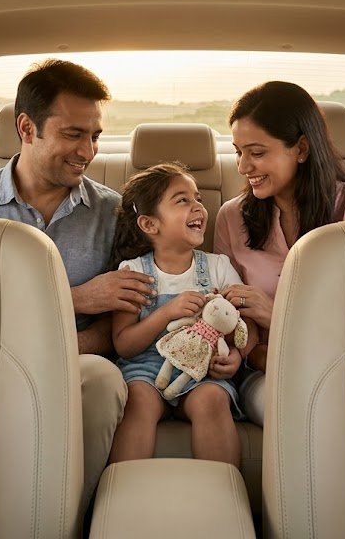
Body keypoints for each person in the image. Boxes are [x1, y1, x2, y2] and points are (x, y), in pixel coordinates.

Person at [0, 59, 155, 510]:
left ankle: (68, 516)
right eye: (73, 134)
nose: (88, 151)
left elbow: (118, 323)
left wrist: (58, 352)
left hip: (78, 362)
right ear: (26, 128)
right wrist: (75, 298)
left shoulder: (113, 213)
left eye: (95, 136)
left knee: (105, 380)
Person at [213, 81, 345, 426]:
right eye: (238, 152)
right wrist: (259, 352)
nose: (243, 167)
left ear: (301, 149)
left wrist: (277, 316)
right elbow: (229, 320)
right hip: (264, 371)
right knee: (295, 408)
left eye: (257, 153)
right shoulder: (231, 217)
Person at [107, 162, 257, 467]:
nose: (198, 206)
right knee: (138, 401)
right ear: (150, 224)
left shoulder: (218, 267)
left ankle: (222, 487)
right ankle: (123, 485)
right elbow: (123, 344)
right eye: (182, 200)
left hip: (203, 370)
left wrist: (236, 356)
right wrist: (165, 313)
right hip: (146, 370)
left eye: (198, 198)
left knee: (213, 401)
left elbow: (245, 325)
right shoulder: (132, 272)